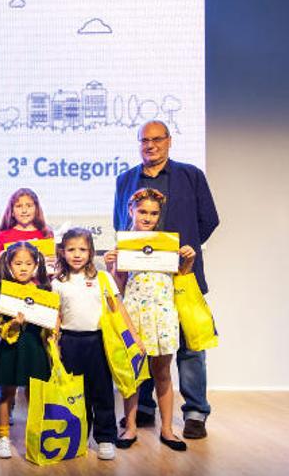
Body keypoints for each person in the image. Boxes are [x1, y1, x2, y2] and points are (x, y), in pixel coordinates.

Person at [113, 120, 219, 439]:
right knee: (141, 343)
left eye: (157, 139)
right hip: (140, 283)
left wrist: (177, 252)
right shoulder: (124, 179)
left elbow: (209, 220)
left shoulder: (191, 175)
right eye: (145, 140)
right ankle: (144, 409)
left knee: (189, 346)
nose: (151, 145)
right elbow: (120, 223)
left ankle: (196, 412)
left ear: (169, 141)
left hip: (182, 277)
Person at [106, 188, 196, 452]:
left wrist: (187, 260)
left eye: (153, 213)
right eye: (142, 211)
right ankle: (130, 426)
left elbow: (179, 276)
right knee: (132, 374)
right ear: (131, 211)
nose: (147, 217)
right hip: (134, 314)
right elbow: (120, 286)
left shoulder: (167, 242)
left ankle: (167, 429)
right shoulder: (124, 244)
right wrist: (112, 266)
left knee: (163, 374)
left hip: (162, 314)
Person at [52, 228, 144, 461]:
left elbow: (118, 308)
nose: (77, 254)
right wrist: (54, 341)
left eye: (82, 249)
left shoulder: (102, 278)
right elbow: (57, 314)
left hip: (98, 342)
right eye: (71, 249)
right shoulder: (58, 283)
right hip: (70, 342)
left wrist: (133, 336)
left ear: (91, 252)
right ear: (62, 252)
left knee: (102, 392)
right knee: (76, 394)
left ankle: (105, 439)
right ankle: (80, 435)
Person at [0, 242, 54, 459]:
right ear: (9, 264)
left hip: (34, 348)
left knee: (34, 393)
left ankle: (34, 435)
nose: (23, 268)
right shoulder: (3, 290)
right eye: (18, 263)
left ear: (36, 265)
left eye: (28, 263)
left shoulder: (43, 290)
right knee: (6, 393)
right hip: (11, 348)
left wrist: (53, 329)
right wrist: (14, 324)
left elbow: (50, 321)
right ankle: (3, 437)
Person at [0, 188, 53, 266]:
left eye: (29, 206)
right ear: (12, 211)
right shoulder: (4, 236)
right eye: (19, 206)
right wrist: (3, 259)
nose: (24, 210)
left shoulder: (46, 234)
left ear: (36, 209)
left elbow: (53, 266)